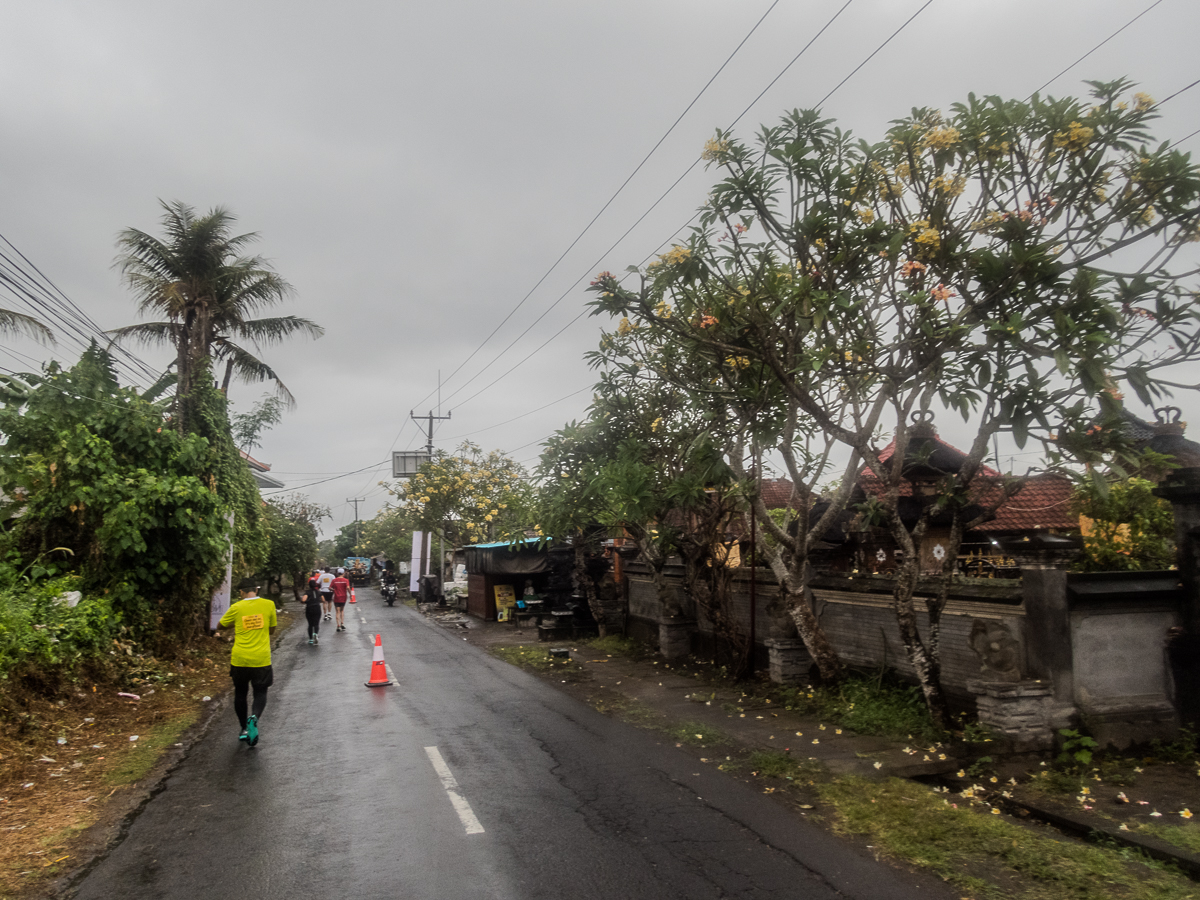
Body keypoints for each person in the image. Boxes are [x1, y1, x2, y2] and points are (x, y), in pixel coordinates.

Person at [218, 576, 277, 747]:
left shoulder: (236, 607)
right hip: (261, 659)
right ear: (257, 590)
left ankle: (244, 728)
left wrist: (236, 624)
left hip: (240, 659)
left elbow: (221, 625)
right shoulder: (269, 605)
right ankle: (255, 717)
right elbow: (272, 630)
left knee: (240, 693)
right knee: (260, 692)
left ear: (241, 592)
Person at [304, 570, 323, 644]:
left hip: (309, 608)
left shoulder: (307, 592)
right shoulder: (318, 592)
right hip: (317, 608)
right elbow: (323, 599)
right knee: (316, 623)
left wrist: (304, 602)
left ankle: (310, 639)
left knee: (310, 624)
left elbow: (304, 599)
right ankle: (315, 634)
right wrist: (319, 601)